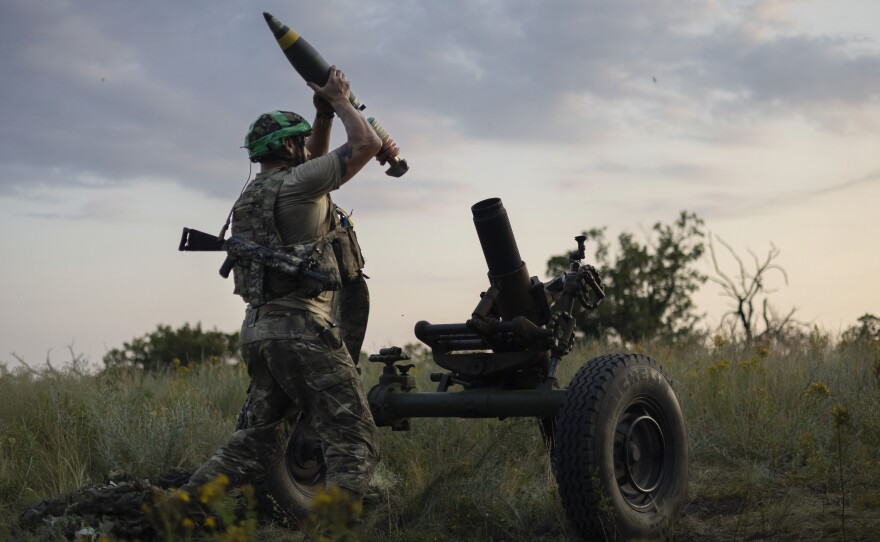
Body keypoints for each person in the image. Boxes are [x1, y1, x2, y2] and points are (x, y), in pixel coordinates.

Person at [181, 66, 397, 509]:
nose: (306, 148)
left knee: (257, 442)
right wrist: (340, 100)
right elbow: (367, 145)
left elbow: (317, 158)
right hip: (304, 331)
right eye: (299, 140)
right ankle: (332, 529)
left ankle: (173, 510)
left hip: (261, 331)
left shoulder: (254, 194)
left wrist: (322, 117)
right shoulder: (300, 185)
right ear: (286, 146)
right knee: (355, 439)